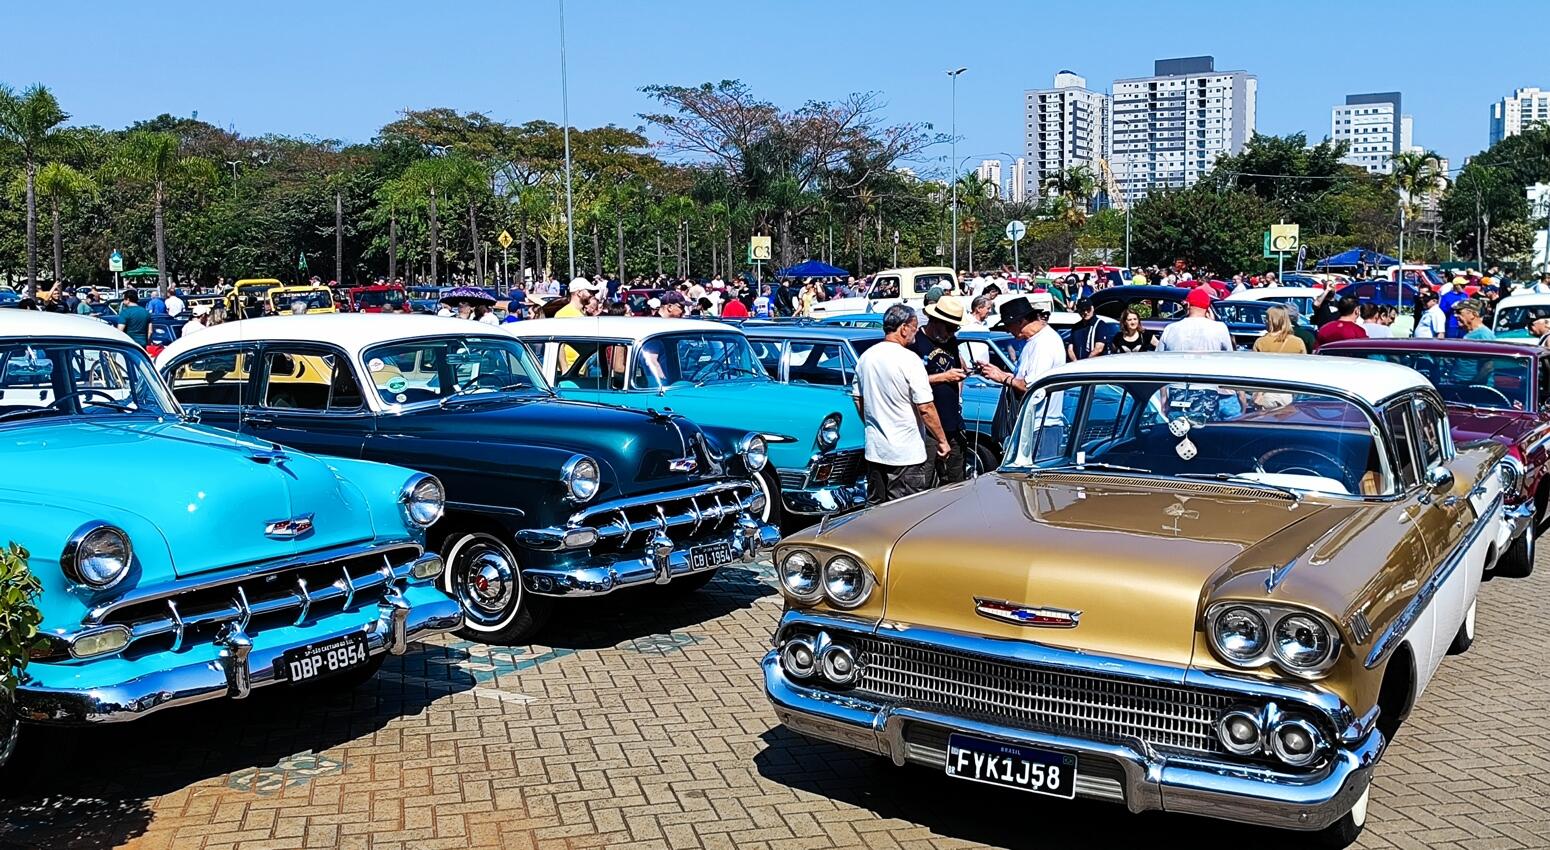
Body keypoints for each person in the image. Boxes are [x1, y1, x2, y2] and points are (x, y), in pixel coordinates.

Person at [852, 304, 950, 504]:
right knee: (906, 513)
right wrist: (942, 440)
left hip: (876, 449)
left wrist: (874, 422)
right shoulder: (909, 359)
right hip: (906, 453)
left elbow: (858, 399)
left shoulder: (866, 357)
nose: (915, 332)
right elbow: (925, 407)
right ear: (904, 328)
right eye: (914, 327)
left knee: (876, 512)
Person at [977, 294, 1066, 450]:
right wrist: (997, 373)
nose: (1006, 330)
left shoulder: (1043, 344)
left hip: (1042, 427)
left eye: (1008, 325)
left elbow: (1031, 386)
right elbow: (1026, 378)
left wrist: (1003, 378)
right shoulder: (1033, 341)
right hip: (1034, 425)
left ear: (1021, 321)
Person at [907, 296, 970, 484]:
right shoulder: (915, 344)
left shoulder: (951, 342)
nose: (952, 333)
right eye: (949, 328)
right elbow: (907, 384)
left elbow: (958, 371)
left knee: (956, 483)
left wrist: (958, 387)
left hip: (953, 423)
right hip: (927, 428)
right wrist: (943, 377)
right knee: (923, 484)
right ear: (935, 321)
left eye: (955, 328)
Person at [1159, 288, 1232, 352]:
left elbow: (1159, 356)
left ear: (1188, 305)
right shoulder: (1220, 329)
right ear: (1208, 309)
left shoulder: (1170, 329)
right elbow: (1229, 357)